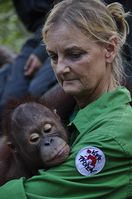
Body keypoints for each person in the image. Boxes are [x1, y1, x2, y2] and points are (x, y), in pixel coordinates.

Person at [0, 0, 132, 198]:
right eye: (53, 57)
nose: (61, 68)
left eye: (75, 54)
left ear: (110, 49)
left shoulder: (112, 136)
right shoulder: (76, 113)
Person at [0, 0, 57, 115]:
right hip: (37, 37)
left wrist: (40, 53)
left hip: (62, 28)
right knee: (10, 98)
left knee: (36, 90)